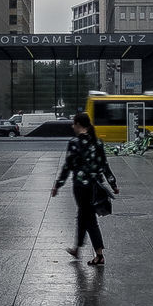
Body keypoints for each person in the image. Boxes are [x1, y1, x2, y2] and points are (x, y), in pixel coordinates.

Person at [51, 112, 119, 266]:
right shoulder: (98, 143)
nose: (71, 126)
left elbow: (67, 166)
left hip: (81, 187)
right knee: (83, 216)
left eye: (73, 123)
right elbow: (105, 166)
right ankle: (77, 248)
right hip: (95, 187)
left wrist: (58, 185)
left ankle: (99, 254)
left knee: (89, 219)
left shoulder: (74, 143)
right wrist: (113, 184)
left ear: (78, 125)